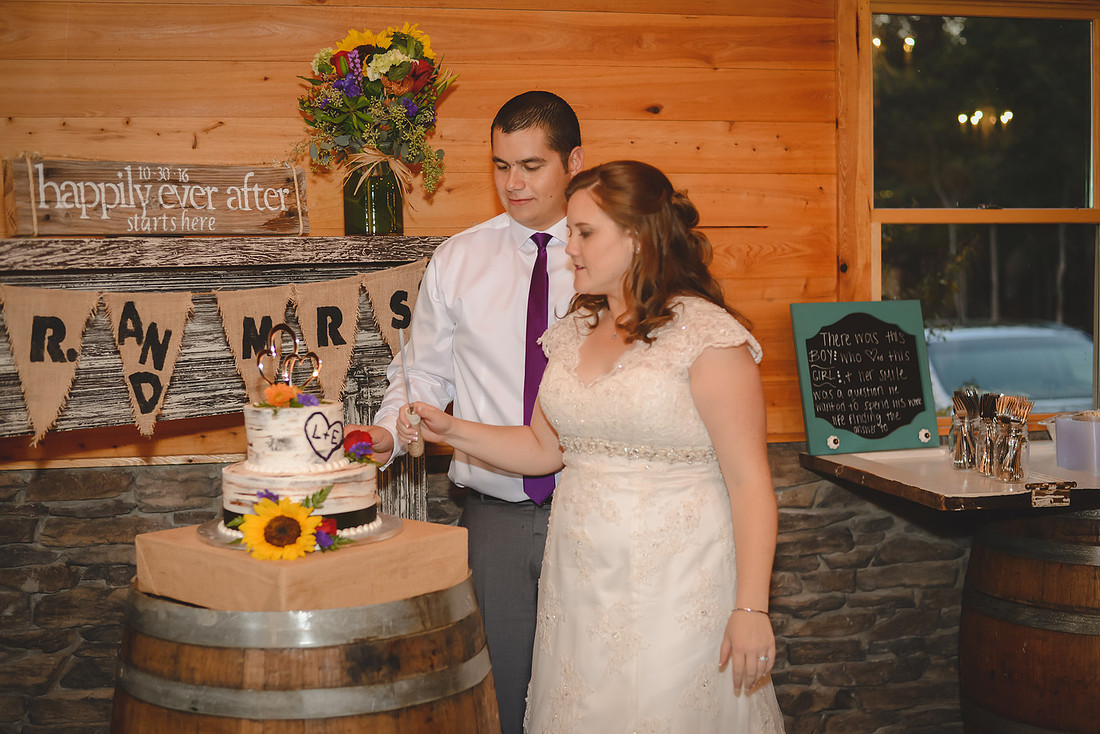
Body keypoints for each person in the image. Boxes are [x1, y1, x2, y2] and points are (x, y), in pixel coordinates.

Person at [398, 160, 786, 732]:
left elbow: (751, 484)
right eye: (570, 232)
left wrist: (750, 608)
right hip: (578, 586)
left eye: (583, 233)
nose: (570, 248)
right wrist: (450, 429)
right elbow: (542, 449)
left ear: (637, 239)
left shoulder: (708, 339)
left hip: (677, 585)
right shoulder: (574, 332)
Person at [359, 91, 584, 734]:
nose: (513, 184)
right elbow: (424, 371)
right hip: (495, 517)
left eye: (532, 166)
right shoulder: (459, 258)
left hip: (595, 506)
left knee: (595, 692)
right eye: (501, 166)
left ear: (573, 161)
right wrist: (389, 433)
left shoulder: (607, 255)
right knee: (499, 699)